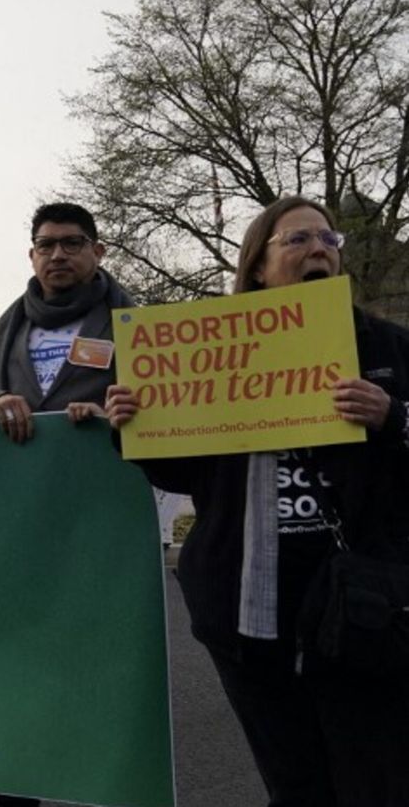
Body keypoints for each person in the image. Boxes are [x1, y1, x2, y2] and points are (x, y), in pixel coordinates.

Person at [106, 196, 409, 804]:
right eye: (296, 240)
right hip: (246, 611)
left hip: (363, 608)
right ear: (256, 269)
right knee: (295, 784)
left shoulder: (388, 347)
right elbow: (183, 475)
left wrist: (393, 416)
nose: (318, 247)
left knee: (375, 782)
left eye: (328, 238)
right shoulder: (207, 355)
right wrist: (134, 427)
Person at [0, 204, 133, 807]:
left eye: (72, 243)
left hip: (97, 534)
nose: (58, 254)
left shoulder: (135, 324)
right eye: (46, 245)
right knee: (16, 682)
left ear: (98, 252)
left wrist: (113, 414)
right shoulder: (8, 328)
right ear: (31, 256)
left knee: (91, 683)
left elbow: (171, 406)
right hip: (15, 533)